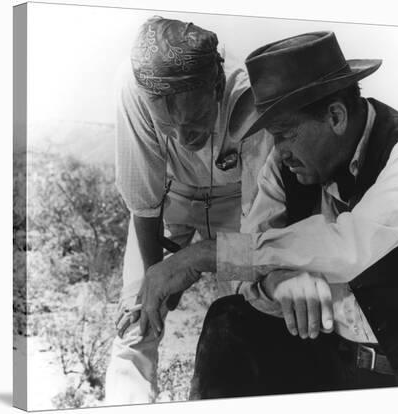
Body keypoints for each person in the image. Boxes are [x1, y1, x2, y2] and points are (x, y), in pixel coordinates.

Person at [136, 31, 398, 398]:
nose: (278, 150)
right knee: (228, 321)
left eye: (286, 134)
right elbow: (253, 256)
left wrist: (202, 255)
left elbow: (347, 248)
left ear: (336, 117)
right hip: (318, 361)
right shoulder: (283, 166)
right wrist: (278, 279)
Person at [105, 17, 272, 404]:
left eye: (197, 120)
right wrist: (156, 278)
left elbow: (261, 240)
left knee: (250, 311)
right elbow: (143, 201)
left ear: (216, 87)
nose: (183, 137)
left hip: (240, 203)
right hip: (170, 200)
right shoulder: (133, 85)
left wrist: (192, 265)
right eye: (168, 126)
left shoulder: (248, 94)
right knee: (136, 324)